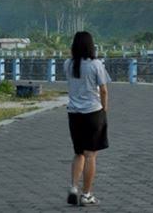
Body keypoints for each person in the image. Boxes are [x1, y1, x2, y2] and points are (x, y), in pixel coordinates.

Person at [64, 31, 111, 206]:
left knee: (78, 153)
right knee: (91, 155)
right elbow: (104, 90)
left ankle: (74, 187)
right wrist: (104, 109)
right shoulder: (96, 64)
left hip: (74, 114)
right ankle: (87, 194)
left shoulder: (68, 64)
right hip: (93, 113)